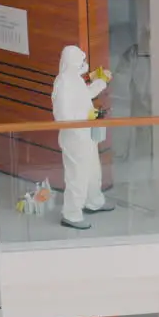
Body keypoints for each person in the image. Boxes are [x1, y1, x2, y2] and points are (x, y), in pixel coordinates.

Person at [52, 44, 112, 230]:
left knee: (93, 170)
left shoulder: (74, 80)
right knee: (77, 176)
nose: (84, 65)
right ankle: (71, 213)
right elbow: (62, 117)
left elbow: (86, 96)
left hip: (86, 135)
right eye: (81, 62)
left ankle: (94, 201)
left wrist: (101, 82)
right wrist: (86, 116)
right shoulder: (62, 84)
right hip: (74, 138)